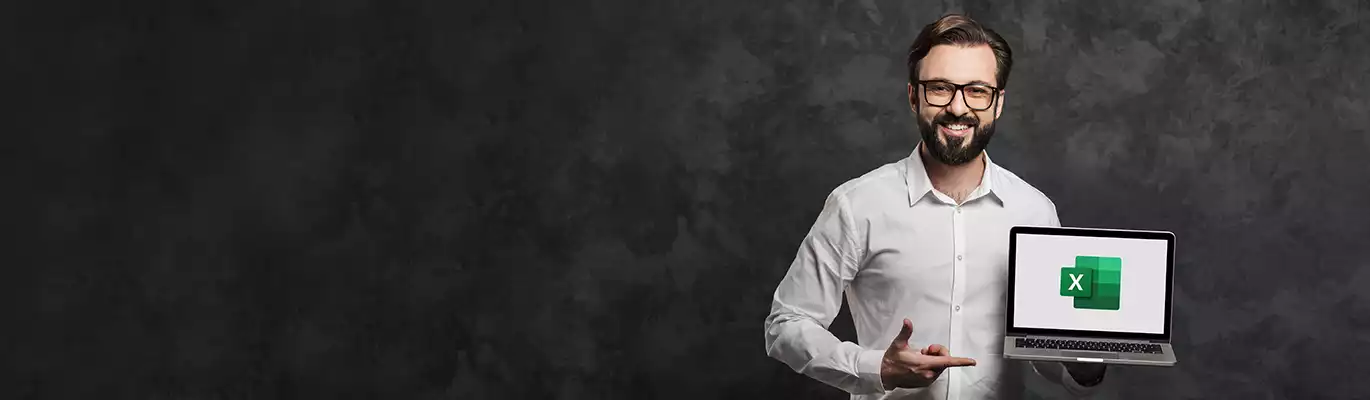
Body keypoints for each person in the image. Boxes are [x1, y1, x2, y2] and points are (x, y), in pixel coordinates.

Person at [763, 14, 1108, 399]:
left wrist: (1086, 364)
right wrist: (877, 367)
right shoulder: (857, 205)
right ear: (914, 96)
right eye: (940, 88)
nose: (958, 108)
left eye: (977, 90)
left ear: (998, 103)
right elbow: (787, 323)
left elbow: (1041, 352)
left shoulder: (1035, 212)